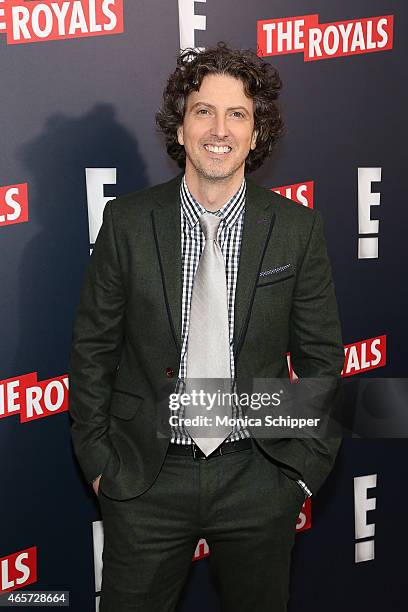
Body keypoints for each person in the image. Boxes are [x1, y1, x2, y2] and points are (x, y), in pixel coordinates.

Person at [69, 41, 344, 612]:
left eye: (238, 114)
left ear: (257, 133)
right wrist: (100, 465)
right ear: (180, 126)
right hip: (145, 477)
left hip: (257, 475)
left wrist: (300, 475)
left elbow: (322, 360)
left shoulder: (297, 229)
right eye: (204, 111)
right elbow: (93, 349)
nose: (219, 129)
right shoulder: (126, 223)